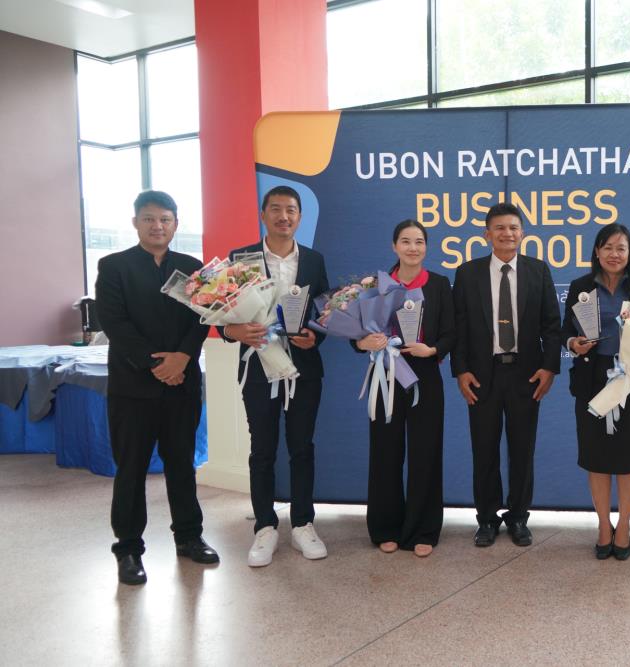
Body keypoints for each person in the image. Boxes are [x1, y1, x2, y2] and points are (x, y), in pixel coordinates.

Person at [96, 190, 217, 585]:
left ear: (175, 224)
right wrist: (156, 365)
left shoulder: (193, 269)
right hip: (133, 388)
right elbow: (114, 323)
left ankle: (189, 537)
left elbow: (202, 317)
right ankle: (129, 548)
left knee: (181, 464)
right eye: (149, 219)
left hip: (182, 385)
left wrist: (182, 358)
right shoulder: (114, 266)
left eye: (165, 219)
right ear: (135, 222)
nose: (157, 226)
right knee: (131, 468)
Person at [221, 185, 330, 567]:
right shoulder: (242, 259)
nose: (284, 216)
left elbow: (325, 310)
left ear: (300, 216)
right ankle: (265, 526)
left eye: (291, 210)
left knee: (302, 448)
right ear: (264, 214)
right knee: (262, 450)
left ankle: (302, 524)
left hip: (303, 368)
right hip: (258, 366)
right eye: (277, 209)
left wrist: (315, 335)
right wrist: (232, 331)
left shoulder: (314, 260)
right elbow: (222, 313)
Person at [451, 202, 562, 547]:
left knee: (522, 451)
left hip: (525, 375)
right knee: (483, 450)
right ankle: (486, 519)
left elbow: (552, 325)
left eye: (513, 227)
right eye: (499, 228)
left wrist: (549, 367)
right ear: (487, 234)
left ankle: (518, 517)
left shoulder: (538, 271)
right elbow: (458, 328)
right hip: (481, 376)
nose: (507, 234)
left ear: (522, 233)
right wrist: (461, 371)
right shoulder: (467, 274)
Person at [562, 224, 630, 560]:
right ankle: (603, 525)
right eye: (608, 247)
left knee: (627, 458)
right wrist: (573, 343)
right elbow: (565, 331)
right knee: (596, 456)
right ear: (597, 251)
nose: (614, 254)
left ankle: (624, 526)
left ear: (629, 253)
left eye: (621, 248)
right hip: (592, 377)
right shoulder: (581, 287)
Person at [355, 220, 455, 557]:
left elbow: (451, 332)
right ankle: (385, 527)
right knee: (385, 452)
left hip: (425, 374)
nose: (413, 248)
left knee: (426, 453)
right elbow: (358, 334)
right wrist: (364, 343)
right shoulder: (376, 285)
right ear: (394, 246)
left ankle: (423, 529)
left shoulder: (439, 284)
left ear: (426, 247)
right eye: (406, 241)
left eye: (419, 242)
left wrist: (434, 349)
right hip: (385, 374)